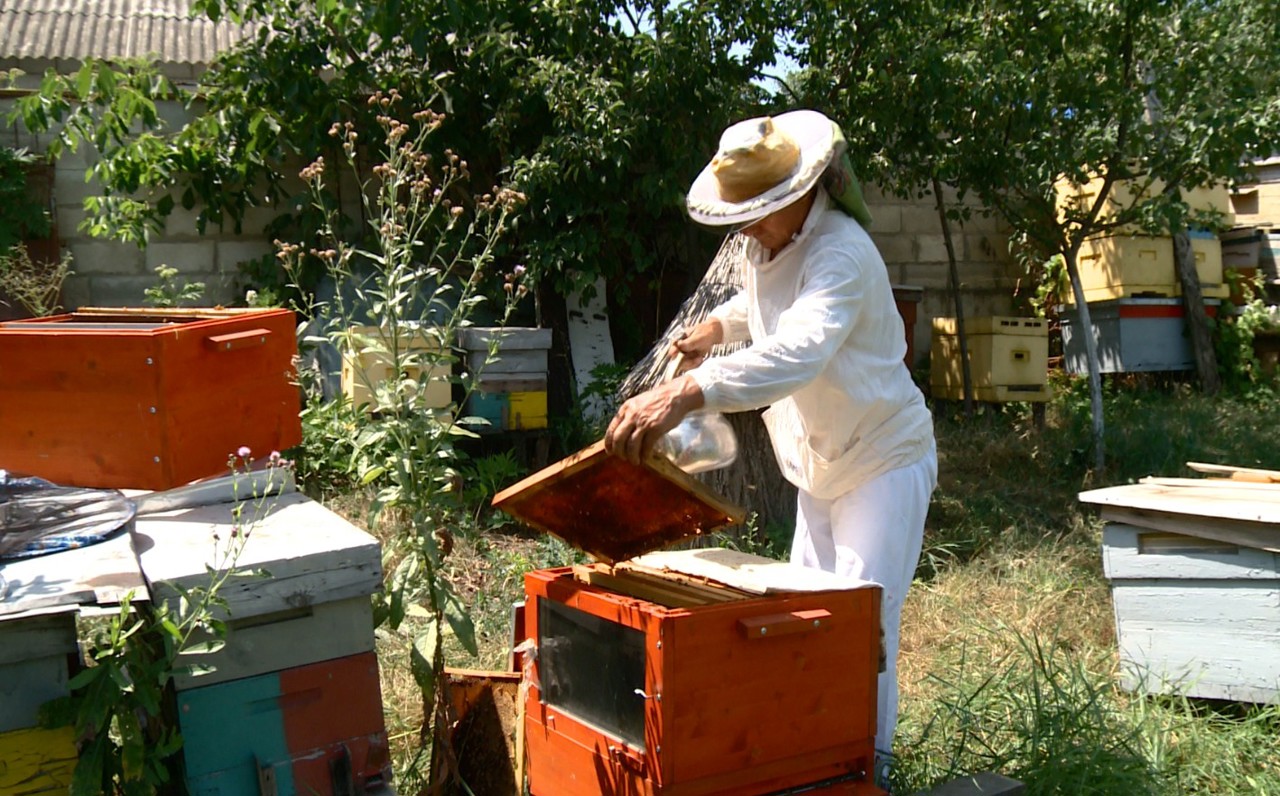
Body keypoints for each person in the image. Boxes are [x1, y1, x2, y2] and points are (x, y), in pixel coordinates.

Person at [604, 109, 937, 770]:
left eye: (759, 211)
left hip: (880, 460)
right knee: (803, 625)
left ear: (803, 193)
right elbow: (760, 304)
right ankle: (808, 761)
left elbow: (799, 350)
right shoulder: (767, 247)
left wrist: (684, 391)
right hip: (818, 466)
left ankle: (864, 773)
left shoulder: (841, 250)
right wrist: (717, 331)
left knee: (859, 632)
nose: (748, 226)